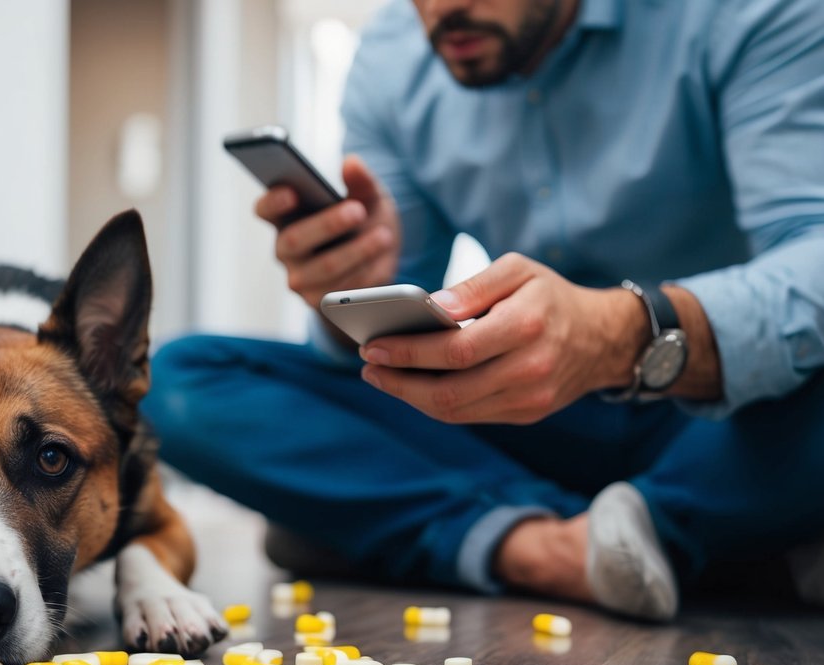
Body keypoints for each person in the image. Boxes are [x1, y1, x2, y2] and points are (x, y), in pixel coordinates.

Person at [143, 0, 824, 620]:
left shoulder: (746, 13)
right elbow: (377, 362)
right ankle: (571, 546)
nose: (443, 9)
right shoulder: (391, 57)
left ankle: (418, 526)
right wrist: (343, 291)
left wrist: (621, 335)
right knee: (181, 379)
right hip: (519, 414)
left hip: (726, 417)